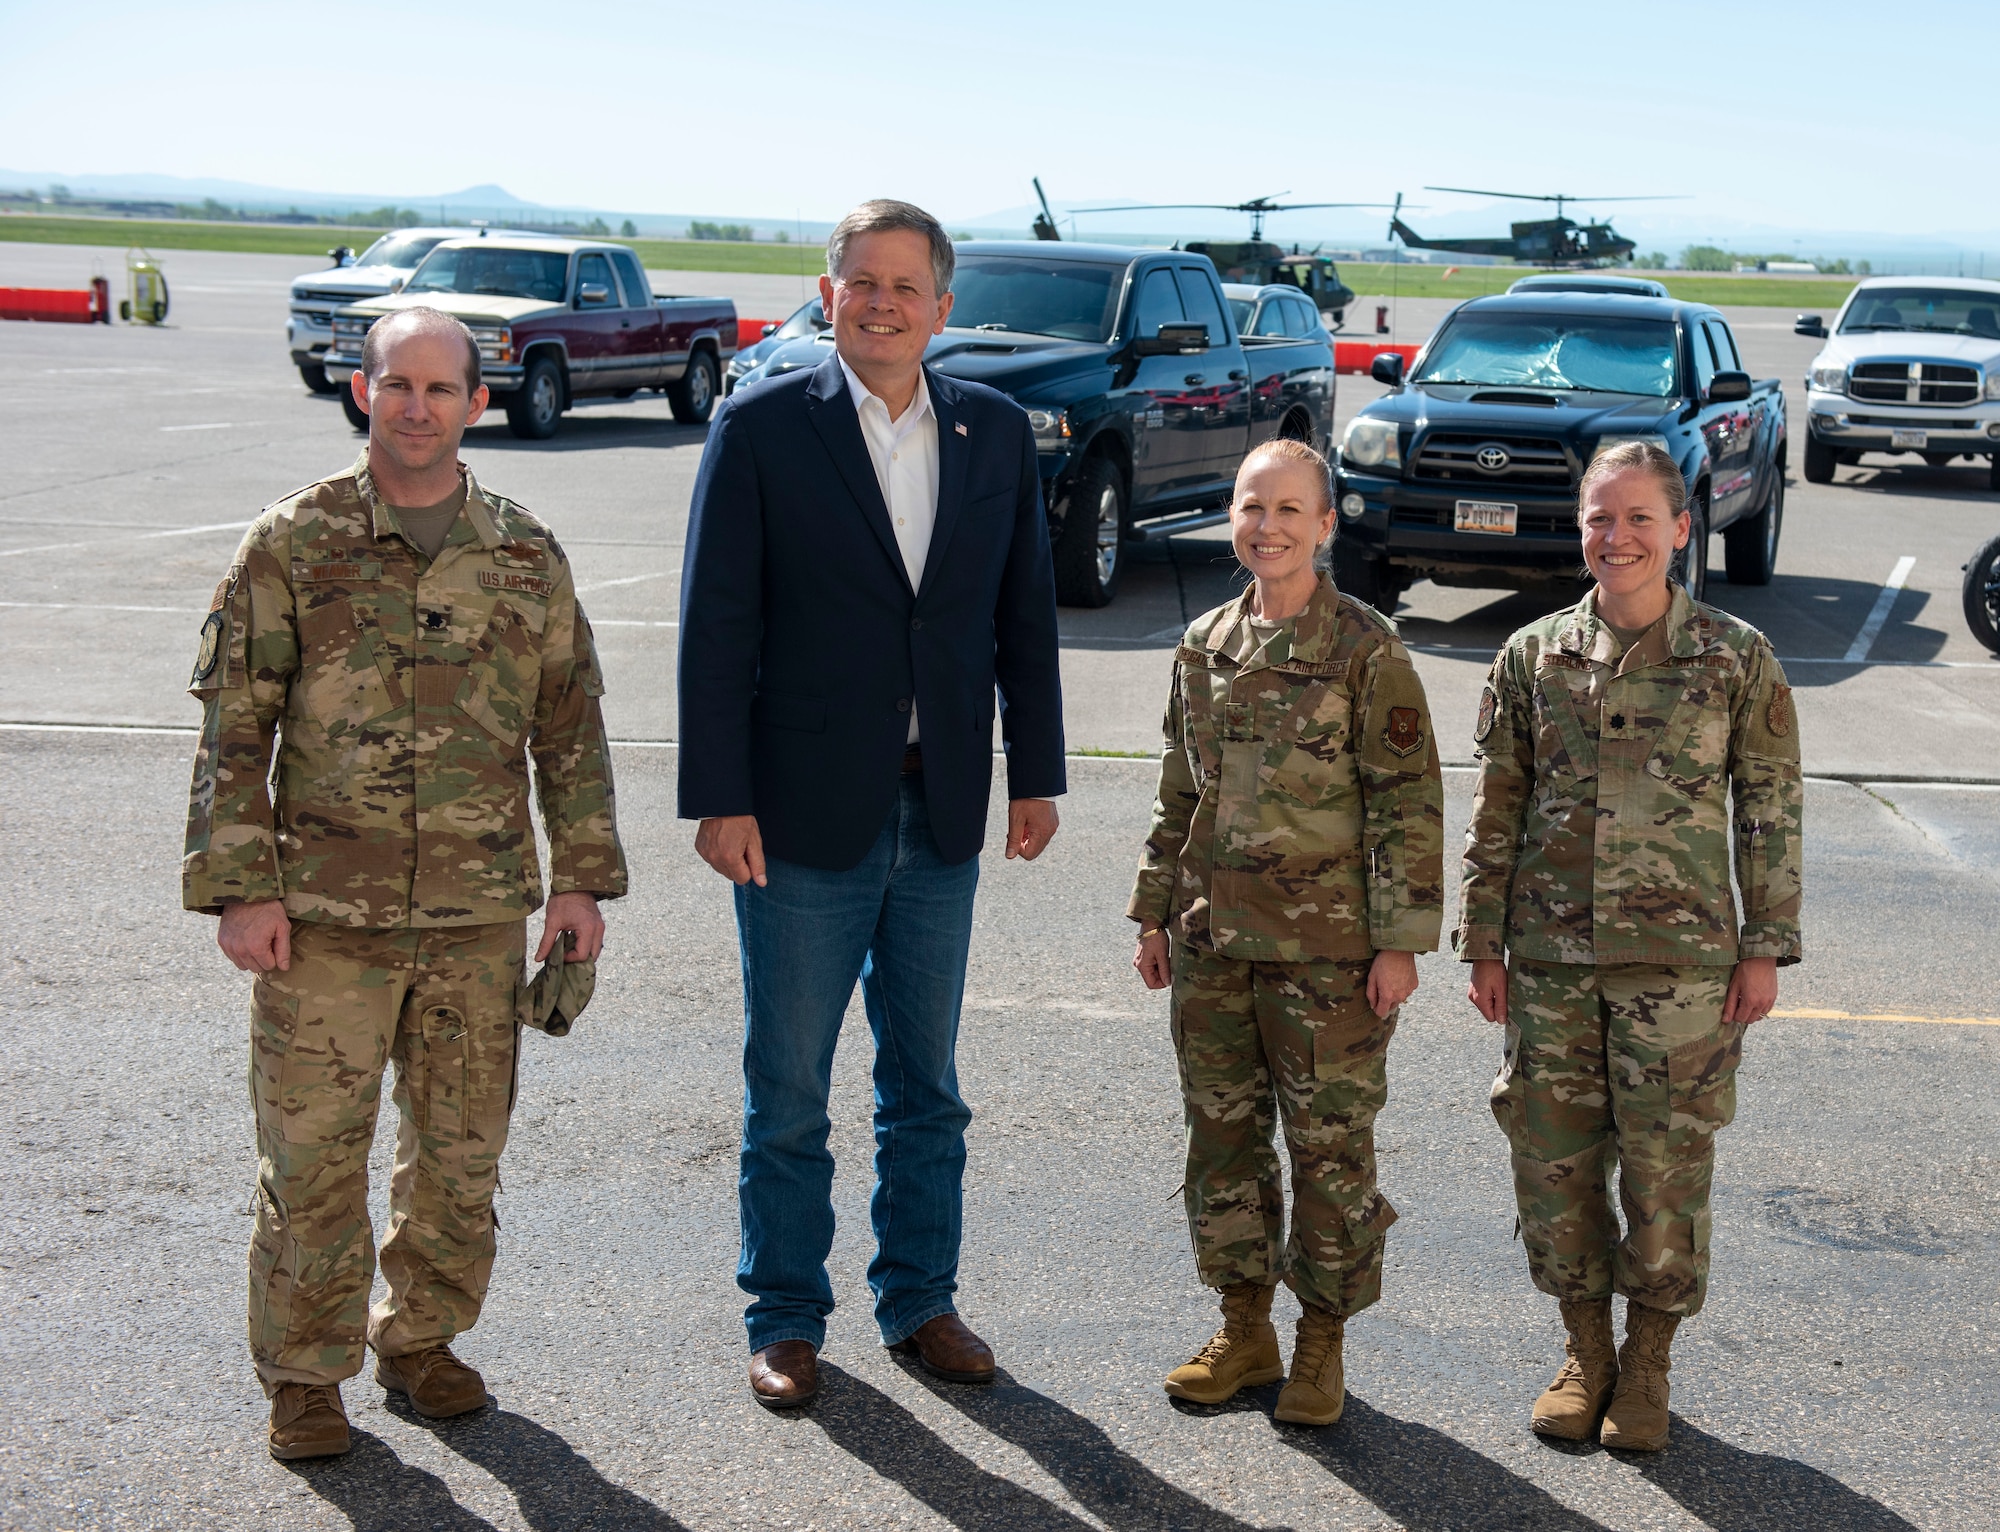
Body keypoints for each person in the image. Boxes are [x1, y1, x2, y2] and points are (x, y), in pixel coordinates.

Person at [182, 306, 627, 1461]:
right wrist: (242, 886)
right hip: (321, 919)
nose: (417, 406)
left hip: (479, 919)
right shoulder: (294, 541)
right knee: (311, 1156)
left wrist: (578, 886)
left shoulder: (526, 553)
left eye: (441, 388)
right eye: (397, 385)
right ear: (360, 392)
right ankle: (303, 1375)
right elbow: (238, 728)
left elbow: (569, 729)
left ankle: (422, 1338)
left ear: (478, 402)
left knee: (460, 1149)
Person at [678, 199, 1066, 1410]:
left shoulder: (994, 431)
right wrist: (717, 794)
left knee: (926, 1085)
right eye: (862, 281)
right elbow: (715, 626)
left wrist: (1037, 768)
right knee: (789, 1083)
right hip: (795, 815)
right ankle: (785, 1314)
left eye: (906, 286)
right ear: (826, 291)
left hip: (939, 806)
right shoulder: (757, 429)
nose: (882, 303)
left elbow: (1023, 614)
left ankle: (920, 1299)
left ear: (942, 308)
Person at [1459, 441, 1802, 1452]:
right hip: (1550, 960)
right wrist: (1481, 939)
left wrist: (1765, 942)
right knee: (1552, 1164)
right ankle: (1582, 1350)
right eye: (1598, 518)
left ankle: (1646, 1361)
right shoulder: (1530, 655)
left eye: (1638, 517)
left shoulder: (1734, 656)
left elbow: (1769, 804)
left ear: (1680, 527)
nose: (1616, 538)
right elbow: (1497, 805)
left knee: (1663, 1170)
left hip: (1681, 969)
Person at [1129, 438, 1443, 1427]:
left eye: (1287, 508)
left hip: (1327, 960)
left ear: (1323, 523)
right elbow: (1180, 788)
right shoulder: (1204, 641)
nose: (1264, 524)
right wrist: (1150, 909)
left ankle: (1320, 1342)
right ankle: (1242, 1326)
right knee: (1220, 1146)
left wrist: (1396, 943)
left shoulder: (1363, 648)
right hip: (1210, 946)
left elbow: (1408, 803)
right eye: (1248, 505)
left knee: (1327, 1151)